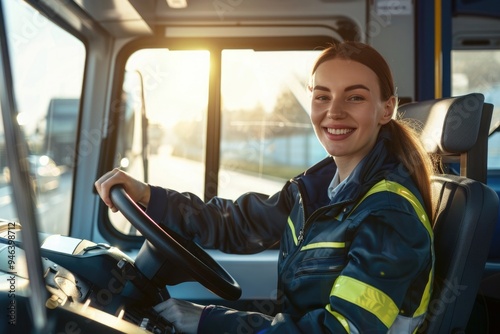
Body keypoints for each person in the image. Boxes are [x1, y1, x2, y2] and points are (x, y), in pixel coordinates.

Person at [95, 41, 435, 333]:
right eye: (322, 96)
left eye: (355, 98)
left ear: (386, 109)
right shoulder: (316, 190)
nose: (334, 111)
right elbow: (237, 224)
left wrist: (209, 322)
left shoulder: (390, 214)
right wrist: (149, 197)